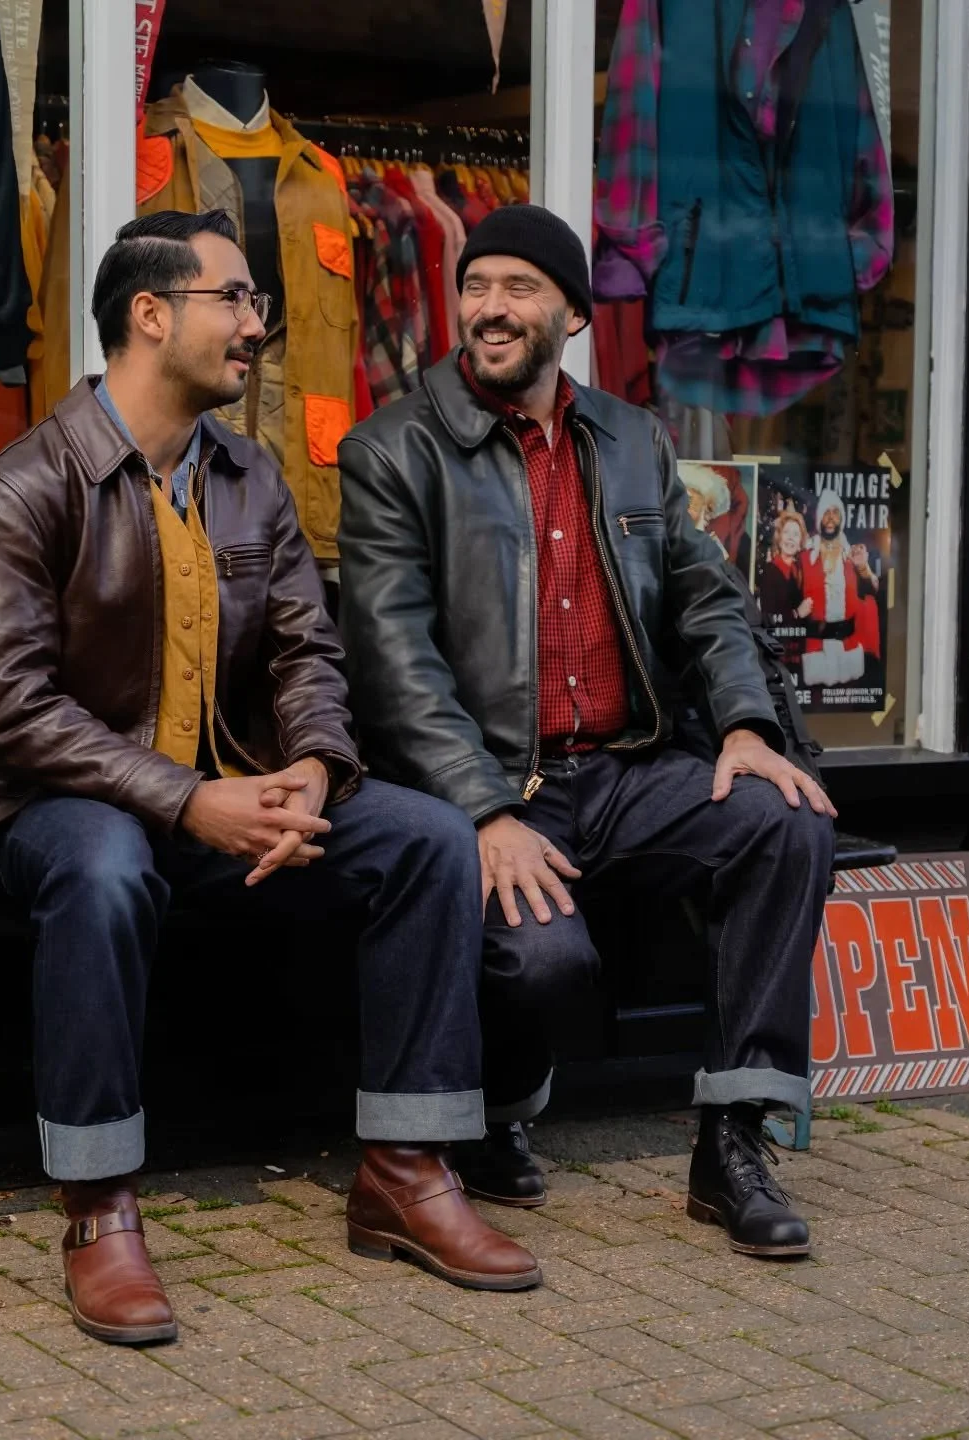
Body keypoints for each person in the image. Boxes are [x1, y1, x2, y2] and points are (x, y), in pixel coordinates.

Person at [0, 209, 541, 1347]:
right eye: (237, 301)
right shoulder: (25, 484)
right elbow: (9, 711)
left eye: (259, 306)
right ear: (152, 314)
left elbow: (304, 653)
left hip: (236, 799)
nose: (259, 328)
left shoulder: (246, 473)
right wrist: (185, 799)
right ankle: (99, 1209)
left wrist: (318, 769)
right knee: (109, 865)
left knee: (422, 839)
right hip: (61, 811)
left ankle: (407, 1172)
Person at [337, 205, 836, 1259]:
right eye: (476, 287)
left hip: (627, 770)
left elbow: (705, 599)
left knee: (782, 820)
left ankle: (733, 1143)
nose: (490, 309)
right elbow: (394, 660)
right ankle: (500, 1109)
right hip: (493, 782)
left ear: (569, 313)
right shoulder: (392, 449)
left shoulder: (631, 437)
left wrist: (748, 725)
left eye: (520, 289)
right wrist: (478, 808)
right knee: (545, 963)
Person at [800, 490, 881, 689]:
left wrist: (863, 568)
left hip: (849, 647)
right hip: (816, 648)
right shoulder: (804, 556)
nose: (830, 518)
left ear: (841, 518)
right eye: (826, 512)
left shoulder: (852, 554)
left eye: (835, 512)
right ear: (819, 518)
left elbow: (874, 591)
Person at [759, 508, 812, 673]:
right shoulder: (770, 571)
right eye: (786, 532)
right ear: (779, 537)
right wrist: (797, 613)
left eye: (795, 534)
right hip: (779, 654)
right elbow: (768, 618)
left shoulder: (802, 571)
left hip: (801, 652)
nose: (790, 538)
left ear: (801, 541)